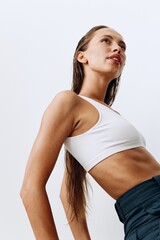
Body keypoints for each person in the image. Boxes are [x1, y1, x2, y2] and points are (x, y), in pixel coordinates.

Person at [20, 25, 160, 240]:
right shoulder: (68, 102)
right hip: (149, 211)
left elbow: (68, 193)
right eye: (106, 41)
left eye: (122, 46)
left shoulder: (108, 113)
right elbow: (30, 188)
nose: (117, 49)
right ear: (81, 56)